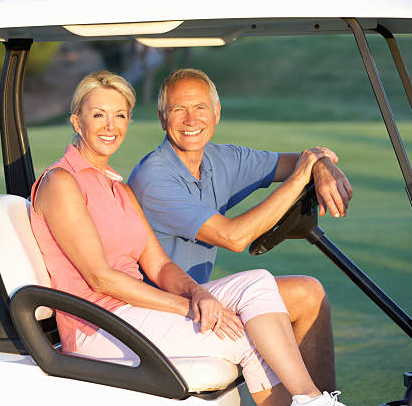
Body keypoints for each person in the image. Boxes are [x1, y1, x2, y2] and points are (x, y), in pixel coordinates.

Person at [30, 70, 346, 406]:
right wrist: (189, 306)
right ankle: (315, 402)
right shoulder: (62, 182)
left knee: (257, 283)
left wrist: (197, 294)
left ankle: (315, 400)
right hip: (97, 326)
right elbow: (100, 278)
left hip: (132, 313)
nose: (110, 125)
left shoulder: (119, 188)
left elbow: (159, 263)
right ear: (77, 122)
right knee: (246, 335)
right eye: (98, 115)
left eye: (119, 115)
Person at [128, 68, 354, 393]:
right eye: (179, 109)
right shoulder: (154, 178)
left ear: (216, 113)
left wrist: (320, 165)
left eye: (200, 108)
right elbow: (233, 237)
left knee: (309, 293)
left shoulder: (220, 159)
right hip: (164, 307)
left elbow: (296, 161)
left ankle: (323, 401)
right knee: (261, 301)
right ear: (163, 118)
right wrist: (302, 176)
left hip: (201, 294)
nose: (191, 119)